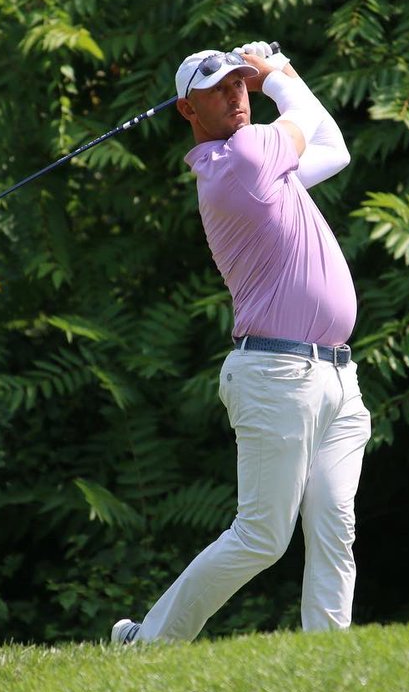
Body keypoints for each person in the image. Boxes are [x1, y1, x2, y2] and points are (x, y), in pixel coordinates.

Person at [111, 40, 372, 644]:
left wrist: (280, 77)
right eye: (218, 89)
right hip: (279, 376)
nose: (235, 95)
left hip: (336, 376)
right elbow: (305, 119)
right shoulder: (243, 161)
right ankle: (146, 644)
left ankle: (328, 661)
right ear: (187, 111)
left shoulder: (262, 166)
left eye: (238, 85)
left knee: (335, 523)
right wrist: (275, 74)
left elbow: (333, 145)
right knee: (261, 536)